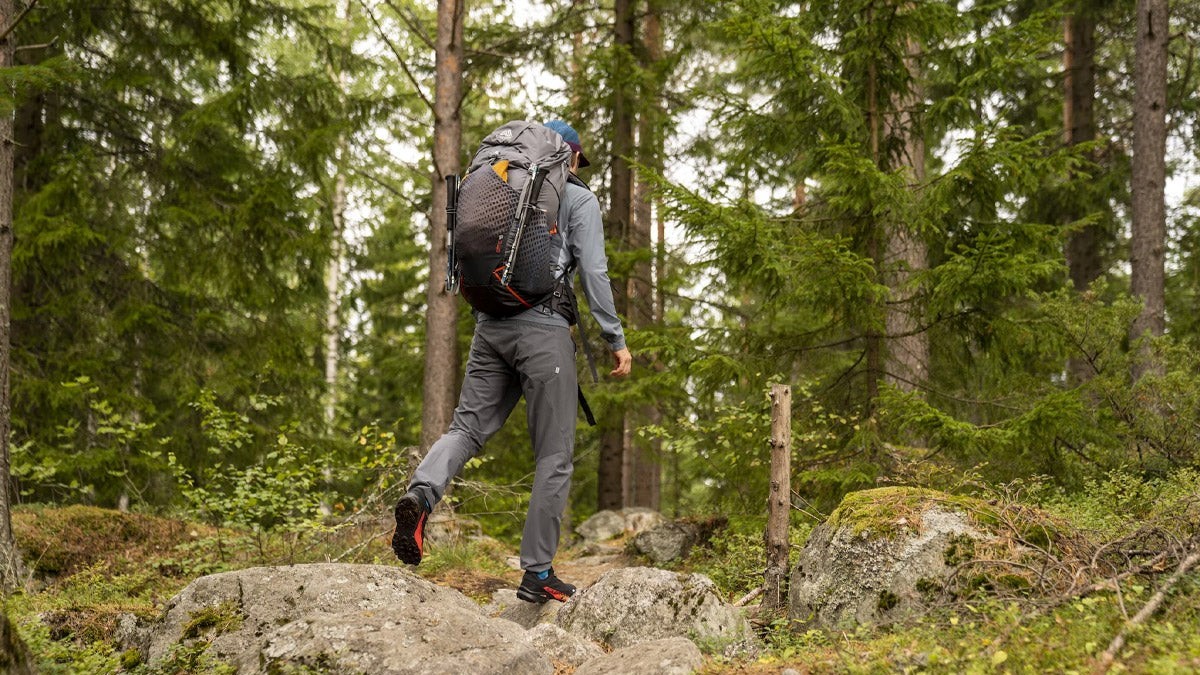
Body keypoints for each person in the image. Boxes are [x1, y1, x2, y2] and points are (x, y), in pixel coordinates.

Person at [392, 120, 632, 603]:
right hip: (543, 333)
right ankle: (537, 572)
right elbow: (594, 271)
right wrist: (615, 338)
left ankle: (421, 494)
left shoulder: (499, 178)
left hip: (490, 324)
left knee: (465, 429)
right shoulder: (577, 197)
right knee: (554, 455)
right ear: (571, 156)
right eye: (578, 162)